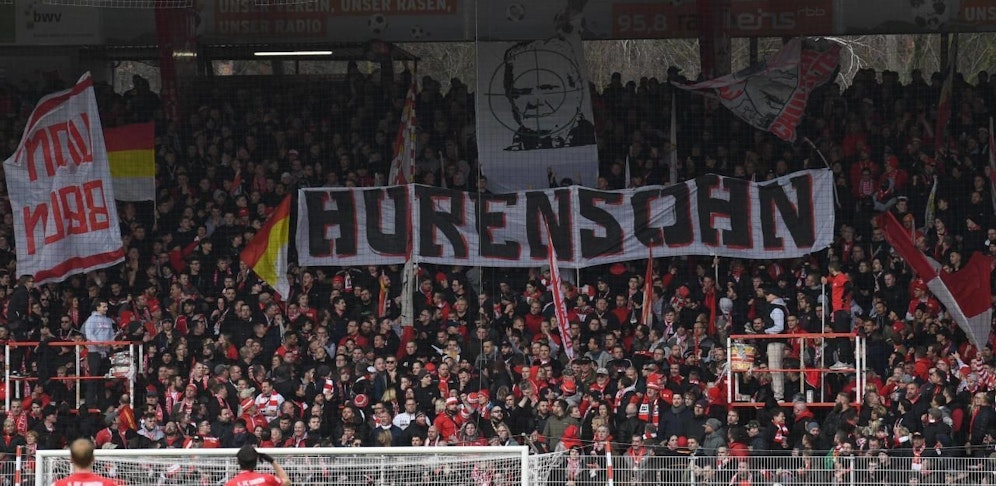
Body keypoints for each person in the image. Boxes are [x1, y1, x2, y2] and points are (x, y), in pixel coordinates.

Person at [82, 300, 115, 409]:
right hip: (94, 352)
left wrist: (111, 343)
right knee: (94, 378)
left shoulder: (109, 320)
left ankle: (102, 403)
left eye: (106, 306)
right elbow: (89, 334)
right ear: (98, 307)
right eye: (104, 306)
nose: (106, 308)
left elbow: (111, 334)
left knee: (102, 379)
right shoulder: (91, 320)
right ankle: (89, 403)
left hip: (105, 352)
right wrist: (98, 343)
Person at [225, 445, 291, 486]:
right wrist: (272, 461)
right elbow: (287, 482)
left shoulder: (230, 484)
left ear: (238, 462)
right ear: (256, 462)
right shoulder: (267, 478)